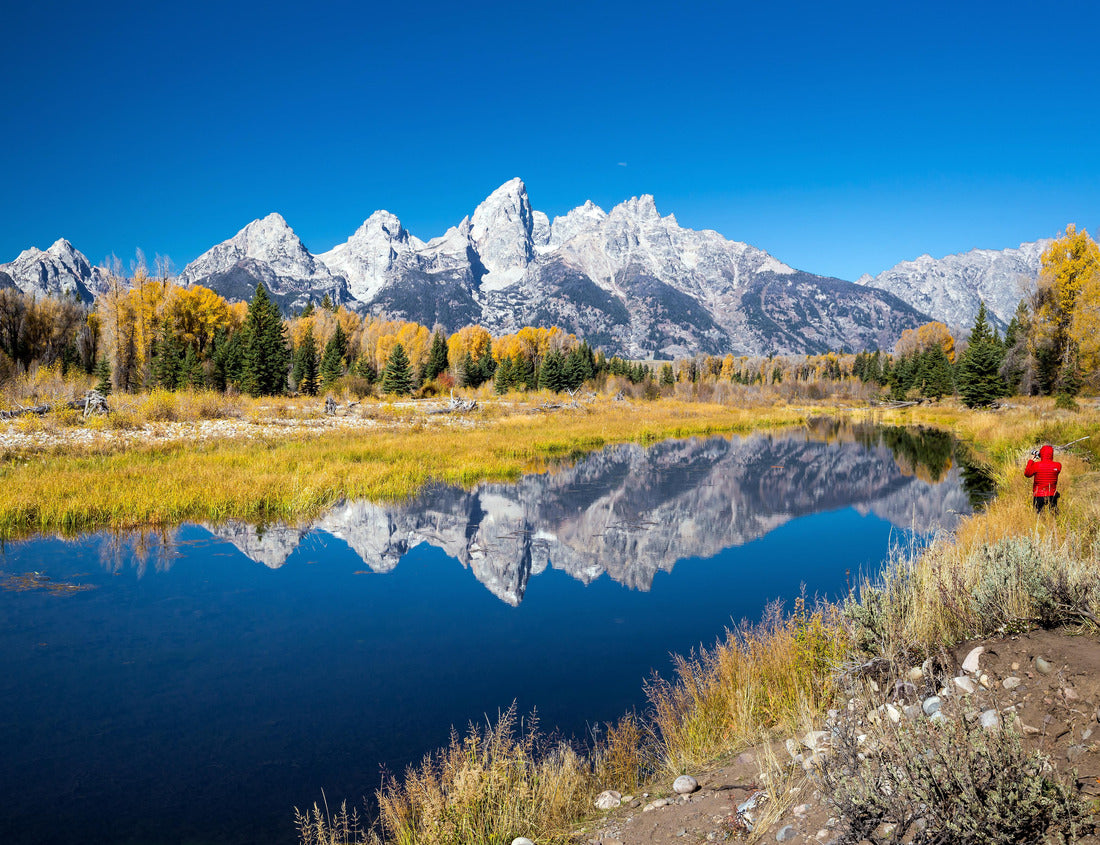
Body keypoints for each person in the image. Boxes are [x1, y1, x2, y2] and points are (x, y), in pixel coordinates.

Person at [1024, 444, 1061, 514]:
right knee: (1054, 515)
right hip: (1052, 494)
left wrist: (1031, 461)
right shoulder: (1058, 465)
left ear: (1041, 454)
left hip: (1039, 495)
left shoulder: (1036, 465)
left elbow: (1027, 474)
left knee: (1039, 516)